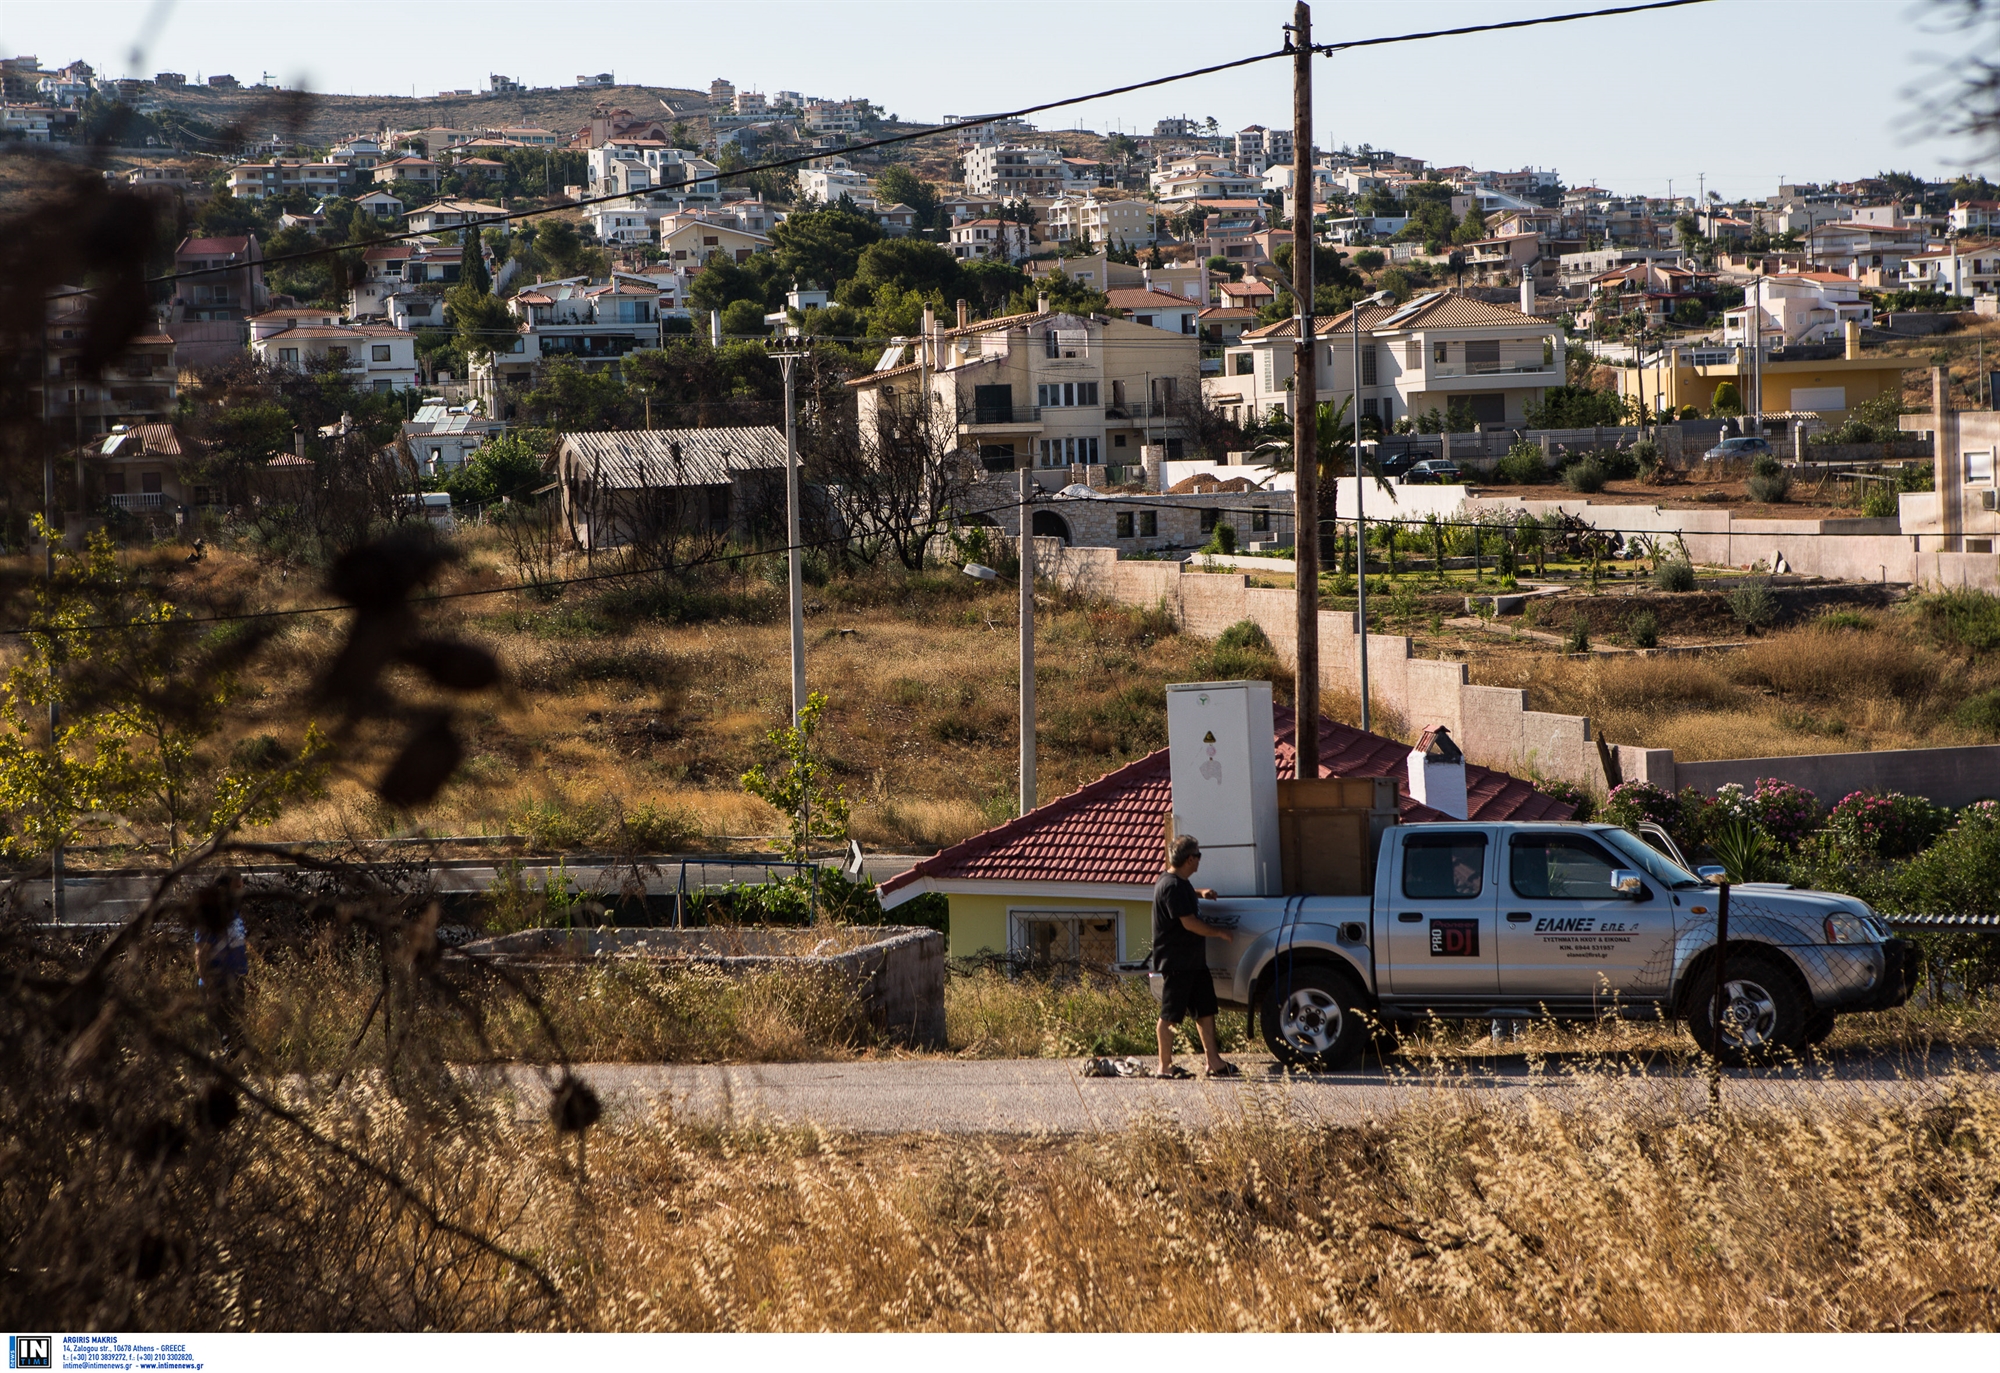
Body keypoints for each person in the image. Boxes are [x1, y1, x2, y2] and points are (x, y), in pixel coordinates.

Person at [1151, 834, 1238, 1079]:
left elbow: (1183, 898)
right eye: (1198, 855)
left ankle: (1214, 1062)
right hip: (1177, 962)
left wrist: (1200, 893)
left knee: (1205, 1009)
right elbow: (1189, 922)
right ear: (1190, 859)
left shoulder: (1178, 882)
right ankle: (1164, 1067)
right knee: (1170, 1014)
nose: (1199, 860)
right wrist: (1219, 932)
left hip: (1194, 961)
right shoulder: (1172, 886)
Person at [192, 871, 249, 1057]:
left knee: (239, 1030)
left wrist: (245, 978)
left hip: (236, 980)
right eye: (237, 888)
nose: (241, 892)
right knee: (229, 1034)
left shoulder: (234, 914)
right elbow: (201, 953)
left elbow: (236, 947)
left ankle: (236, 1065)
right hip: (218, 982)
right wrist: (208, 984)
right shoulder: (211, 917)